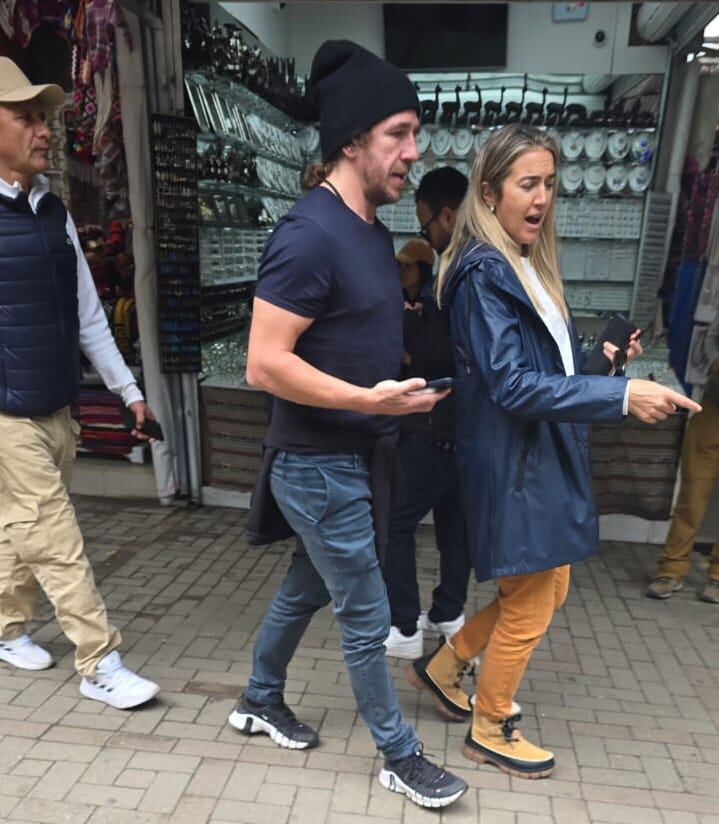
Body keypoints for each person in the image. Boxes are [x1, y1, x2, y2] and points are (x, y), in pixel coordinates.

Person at [405, 124, 701, 779]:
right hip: (516, 465)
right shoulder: (485, 273)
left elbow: (546, 367)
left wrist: (602, 361)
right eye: (527, 183)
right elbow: (510, 384)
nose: (542, 197)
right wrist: (622, 399)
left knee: (545, 589)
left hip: (533, 460)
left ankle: (446, 665)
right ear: (489, 192)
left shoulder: (517, 262)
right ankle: (490, 721)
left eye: (549, 184)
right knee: (534, 600)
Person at [227, 41, 467, 809]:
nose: (412, 151)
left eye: (414, 132)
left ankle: (259, 696)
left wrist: (398, 382)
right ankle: (399, 755)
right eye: (398, 133)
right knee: (365, 613)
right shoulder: (309, 233)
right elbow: (263, 364)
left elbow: (348, 336)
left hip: (358, 456)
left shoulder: (368, 230)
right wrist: (370, 402)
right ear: (352, 139)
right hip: (318, 462)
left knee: (306, 589)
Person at [0, 58, 160, 709]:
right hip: (7, 415)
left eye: (44, 117)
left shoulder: (54, 213)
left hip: (58, 408)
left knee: (24, 530)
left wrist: (128, 391)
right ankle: (99, 659)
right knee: (54, 533)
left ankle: (5, 630)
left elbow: (89, 315)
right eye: (27, 117)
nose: (44, 130)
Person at [383, 169, 473, 660]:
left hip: (435, 424)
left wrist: (411, 337)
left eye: (427, 225)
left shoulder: (458, 267)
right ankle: (448, 610)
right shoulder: (484, 261)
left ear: (446, 214)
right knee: (454, 524)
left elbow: (441, 357)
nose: (427, 236)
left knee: (395, 523)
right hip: (466, 430)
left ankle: (404, 625)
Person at [647, 313, 719, 603]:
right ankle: (671, 569)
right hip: (715, 406)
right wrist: (715, 362)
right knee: (693, 491)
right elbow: (711, 338)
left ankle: (717, 577)